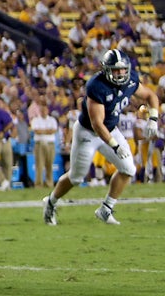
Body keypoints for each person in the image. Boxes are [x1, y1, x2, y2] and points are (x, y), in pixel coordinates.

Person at [42, 49, 160, 225]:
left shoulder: (131, 79)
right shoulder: (96, 85)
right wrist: (115, 145)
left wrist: (153, 119)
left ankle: (106, 209)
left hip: (111, 129)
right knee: (76, 177)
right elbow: (97, 123)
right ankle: (51, 202)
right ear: (106, 69)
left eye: (123, 69)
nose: (120, 73)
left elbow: (150, 95)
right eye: (116, 69)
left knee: (128, 169)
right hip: (88, 133)